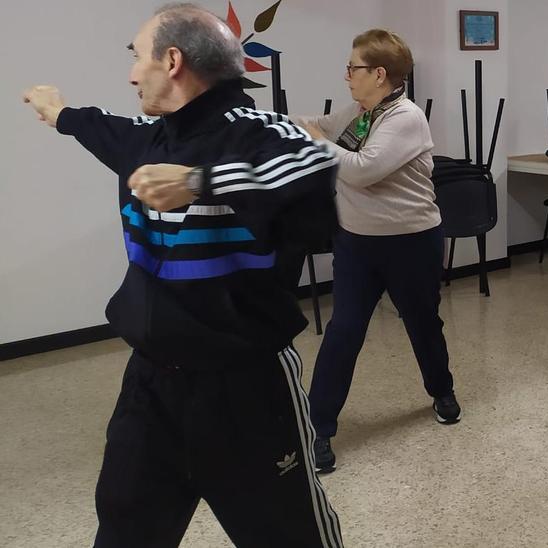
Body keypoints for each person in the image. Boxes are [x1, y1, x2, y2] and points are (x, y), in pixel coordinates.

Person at [21, 4, 343, 546]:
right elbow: (98, 127)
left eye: (135, 56)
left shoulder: (257, 131)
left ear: (172, 60)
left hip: (246, 387)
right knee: (124, 526)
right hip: (151, 386)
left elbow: (313, 165)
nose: (130, 72)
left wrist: (200, 181)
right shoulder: (148, 138)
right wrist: (58, 111)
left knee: (291, 536)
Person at [291, 30, 456, 475]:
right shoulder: (360, 111)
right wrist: (273, 123)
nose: (346, 76)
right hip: (357, 243)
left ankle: (442, 390)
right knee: (344, 330)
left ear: (379, 74)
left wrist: (314, 141)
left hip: (411, 243)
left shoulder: (406, 117)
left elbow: (361, 170)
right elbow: (321, 125)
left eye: (353, 68)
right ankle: (317, 427)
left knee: (422, 323)